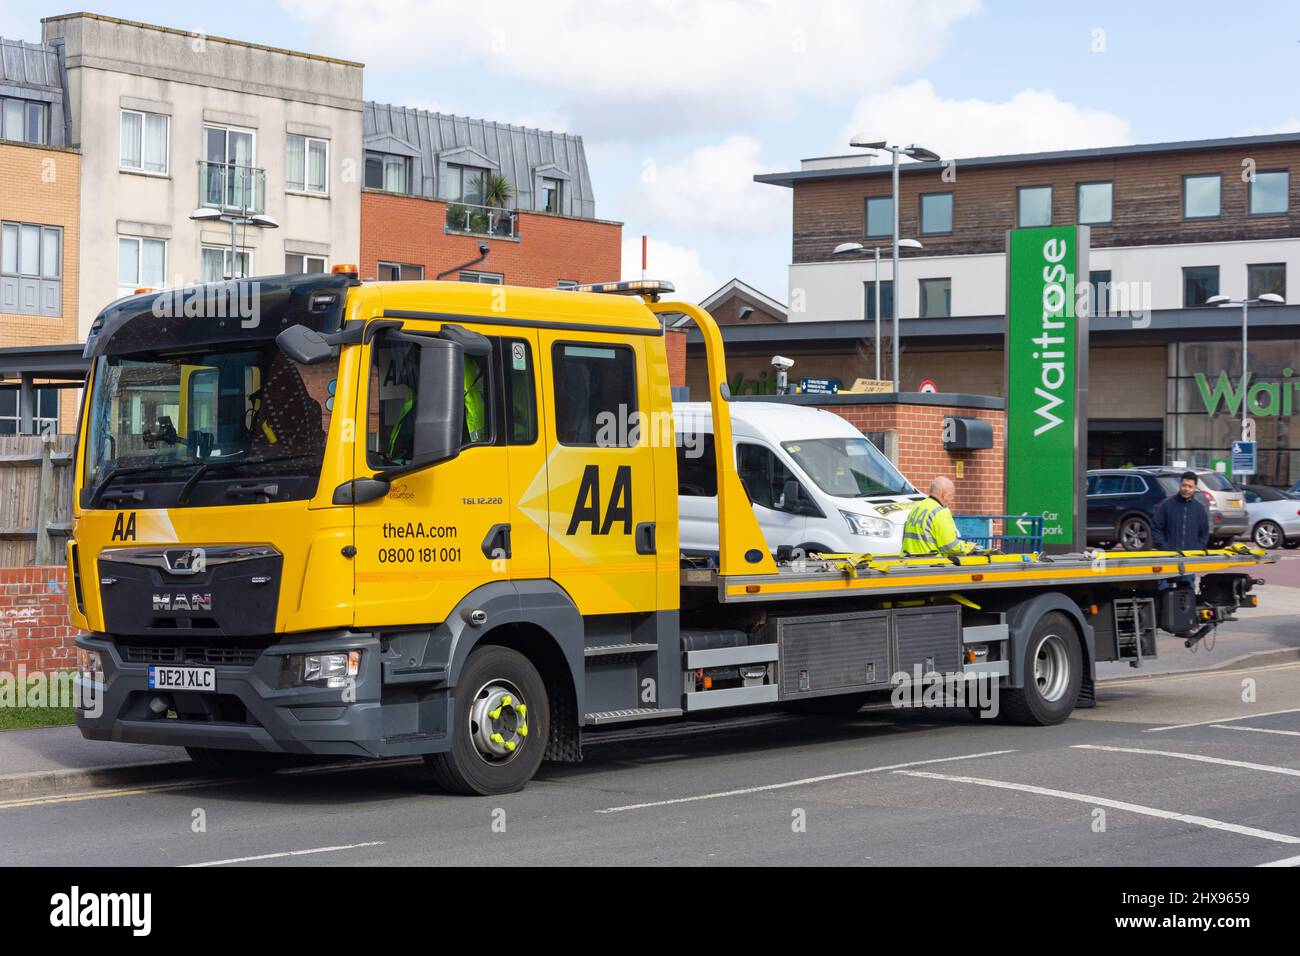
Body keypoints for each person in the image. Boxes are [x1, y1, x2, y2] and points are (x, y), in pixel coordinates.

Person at [901, 476, 977, 555]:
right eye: (951, 495)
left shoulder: (917, 507)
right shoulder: (939, 512)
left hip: (909, 561)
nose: (952, 499)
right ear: (944, 495)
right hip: (930, 563)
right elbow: (951, 546)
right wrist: (968, 547)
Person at [1152, 470, 1210, 551]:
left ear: (1195, 488)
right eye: (1184, 485)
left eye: (1190, 486)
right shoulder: (1166, 505)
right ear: (1180, 485)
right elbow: (1156, 528)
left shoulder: (1200, 509)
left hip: (1191, 557)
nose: (1186, 489)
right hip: (1170, 556)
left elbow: (1204, 533)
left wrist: (1197, 549)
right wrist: (1164, 547)